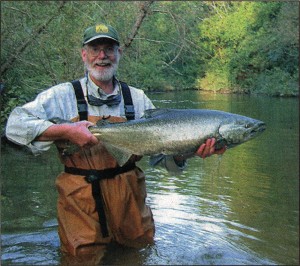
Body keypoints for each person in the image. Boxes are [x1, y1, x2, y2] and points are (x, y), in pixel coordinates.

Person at [5, 23, 226, 257]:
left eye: (109, 49)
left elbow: (165, 161)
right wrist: (65, 132)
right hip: (80, 201)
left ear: (119, 53)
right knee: (81, 259)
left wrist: (187, 152)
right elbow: (14, 127)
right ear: (84, 54)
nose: (102, 56)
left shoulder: (138, 99)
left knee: (136, 255)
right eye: (95, 49)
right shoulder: (61, 95)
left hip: (130, 202)